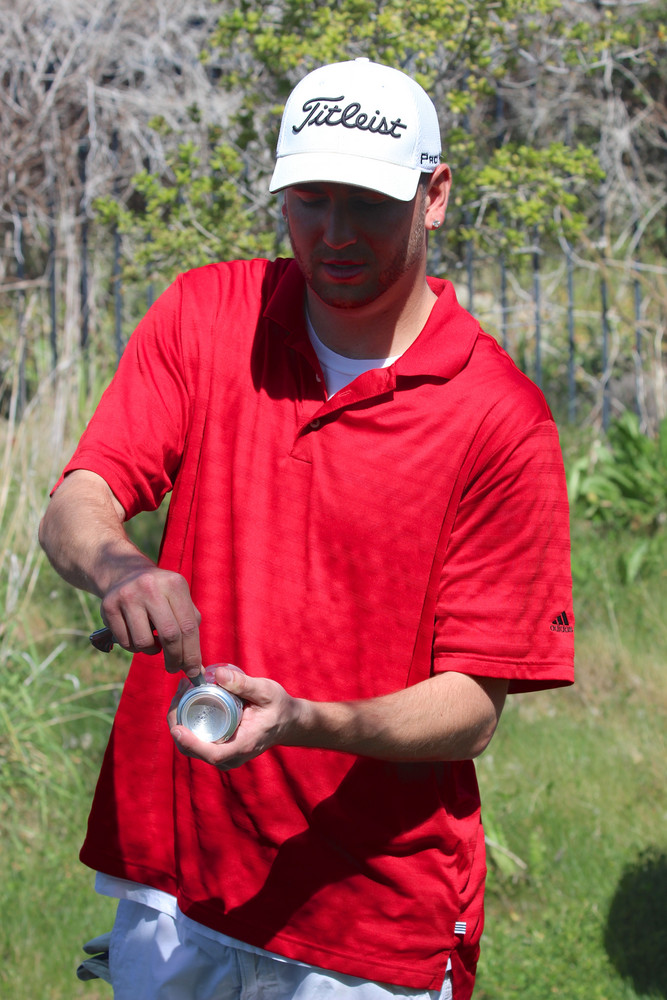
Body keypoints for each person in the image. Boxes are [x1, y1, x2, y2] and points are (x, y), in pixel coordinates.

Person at [39, 57, 574, 1000]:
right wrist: (120, 567)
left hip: (367, 914)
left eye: (366, 202)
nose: (333, 233)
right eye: (309, 198)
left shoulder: (499, 418)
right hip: (173, 876)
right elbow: (79, 501)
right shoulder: (209, 315)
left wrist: (304, 723)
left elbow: (471, 708)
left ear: (434, 195)